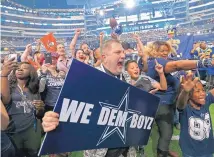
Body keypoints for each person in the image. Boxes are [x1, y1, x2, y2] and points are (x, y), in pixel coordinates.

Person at [42, 39, 136, 157]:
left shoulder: (126, 76)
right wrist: (54, 122)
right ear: (104, 57)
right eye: (118, 52)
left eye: (123, 52)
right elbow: (73, 112)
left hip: (125, 149)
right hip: (99, 151)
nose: (123, 55)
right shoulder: (88, 78)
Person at [144, 41, 214, 157]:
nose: (165, 53)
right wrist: (206, 62)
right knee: (163, 134)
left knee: (164, 134)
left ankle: (164, 152)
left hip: (168, 104)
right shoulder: (156, 62)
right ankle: (162, 153)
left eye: (167, 51)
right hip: (162, 105)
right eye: (162, 51)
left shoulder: (162, 64)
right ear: (153, 51)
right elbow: (178, 65)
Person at [1, 59, 44, 157]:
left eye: (24, 68)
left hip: (32, 131)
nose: (20, 69)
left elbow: (38, 114)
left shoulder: (34, 89)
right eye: (18, 68)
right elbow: (5, 100)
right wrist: (3, 75)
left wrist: (40, 108)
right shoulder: (7, 86)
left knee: (34, 154)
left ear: (31, 72)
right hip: (13, 130)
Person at [176, 72, 214, 157]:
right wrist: (185, 91)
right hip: (190, 152)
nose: (203, 93)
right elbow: (180, 104)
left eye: (203, 90)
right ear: (189, 95)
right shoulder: (185, 108)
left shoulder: (206, 101)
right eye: (198, 91)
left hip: (208, 150)